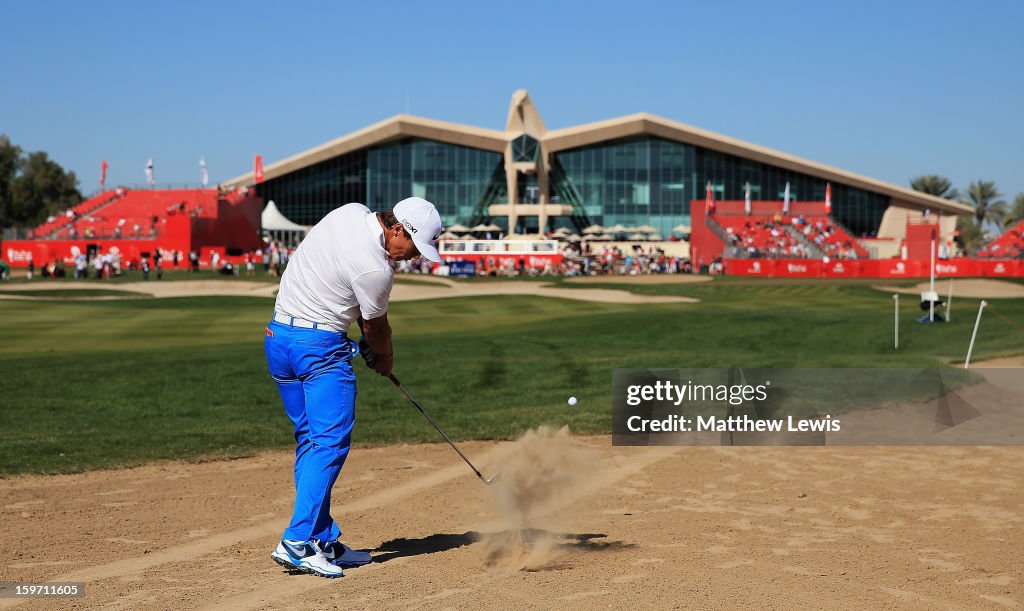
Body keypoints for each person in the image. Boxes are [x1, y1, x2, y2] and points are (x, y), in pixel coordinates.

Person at [265, 197, 442, 578]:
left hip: (278, 339)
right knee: (329, 444)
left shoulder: (348, 211)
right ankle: (296, 542)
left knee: (311, 442)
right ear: (397, 229)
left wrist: (367, 342)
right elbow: (375, 328)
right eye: (412, 247)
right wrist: (385, 358)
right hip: (319, 351)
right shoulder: (376, 270)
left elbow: (348, 302)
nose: (411, 257)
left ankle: (320, 538)